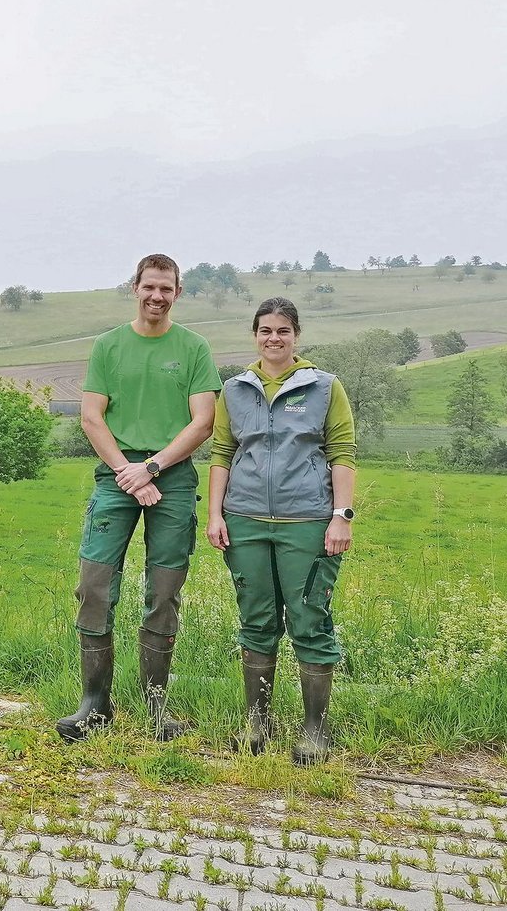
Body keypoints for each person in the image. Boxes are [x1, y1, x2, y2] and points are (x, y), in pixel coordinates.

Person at [56, 253, 220, 742]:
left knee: (164, 589)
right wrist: (127, 472)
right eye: (149, 286)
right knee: (94, 583)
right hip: (116, 474)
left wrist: (151, 468)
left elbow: (203, 421)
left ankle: (155, 706)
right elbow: (91, 418)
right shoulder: (109, 346)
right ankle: (95, 702)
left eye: (166, 288)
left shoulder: (194, 348)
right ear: (136, 287)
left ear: (178, 292)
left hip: (171, 477)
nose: (157, 296)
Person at [206, 297, 356, 765]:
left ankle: (316, 729)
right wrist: (215, 515)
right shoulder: (234, 389)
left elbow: (343, 453)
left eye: (283, 331)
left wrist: (341, 515)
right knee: (256, 619)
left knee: (310, 619)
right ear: (255, 335)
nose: (274, 338)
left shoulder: (325, 387)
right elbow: (221, 453)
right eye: (266, 330)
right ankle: (257, 721)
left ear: (296, 335)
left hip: (308, 522)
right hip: (245, 520)